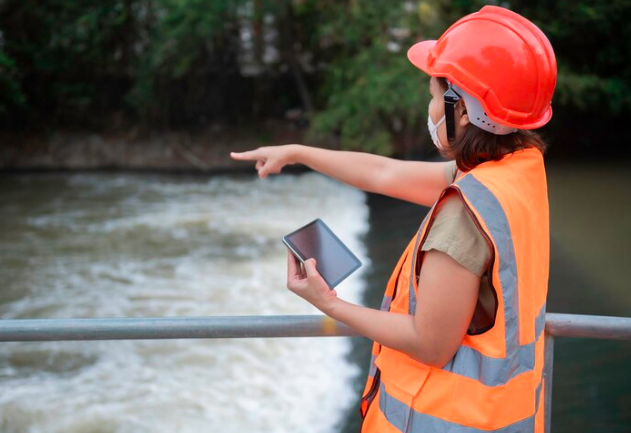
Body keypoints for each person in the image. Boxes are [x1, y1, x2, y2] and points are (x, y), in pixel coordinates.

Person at [231, 6, 556, 433]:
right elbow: (385, 173)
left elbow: (430, 343)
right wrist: (298, 153)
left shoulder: (464, 213)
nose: (430, 105)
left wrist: (329, 304)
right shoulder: (515, 170)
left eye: (434, 93)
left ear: (463, 111)